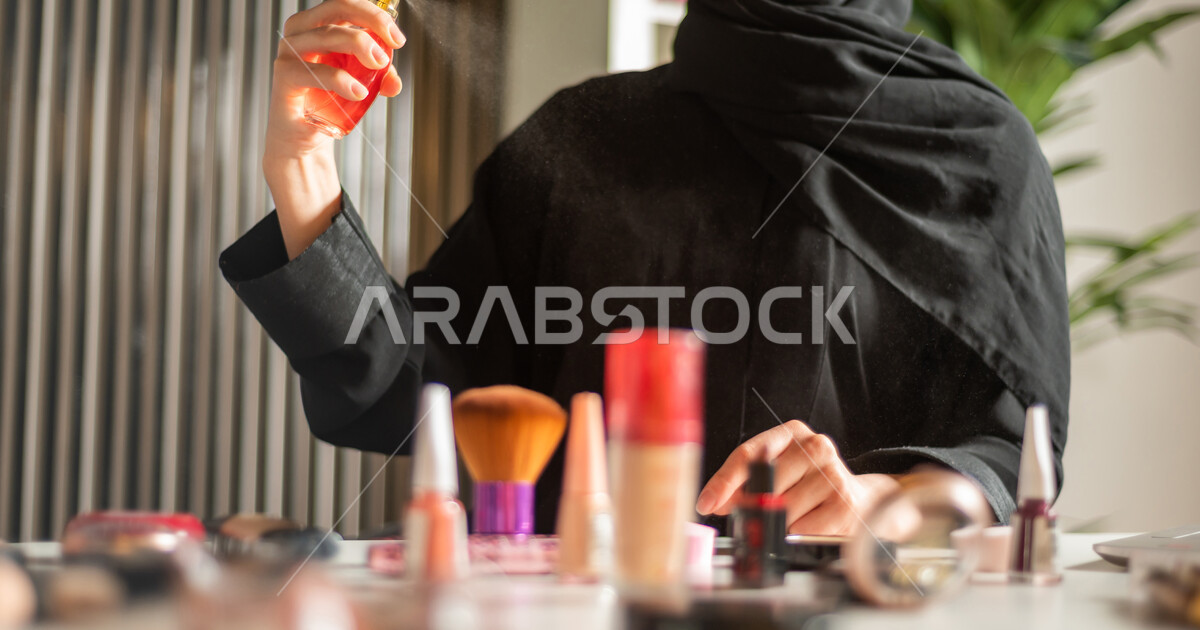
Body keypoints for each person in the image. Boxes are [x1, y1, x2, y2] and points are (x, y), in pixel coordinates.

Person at [220, 0, 1070, 535]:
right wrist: (305, 167)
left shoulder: (981, 157)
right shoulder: (585, 134)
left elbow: (1004, 457)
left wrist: (881, 500)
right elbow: (416, 392)